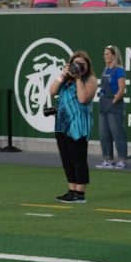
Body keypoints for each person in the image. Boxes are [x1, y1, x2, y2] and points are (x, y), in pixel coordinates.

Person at [47, 49, 97, 202]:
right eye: (76, 63)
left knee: (78, 158)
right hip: (62, 124)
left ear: (87, 66)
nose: (79, 66)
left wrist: (78, 78)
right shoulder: (65, 78)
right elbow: (52, 90)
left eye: (82, 64)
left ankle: (80, 194)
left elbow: (83, 99)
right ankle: (71, 190)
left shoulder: (90, 79)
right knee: (67, 159)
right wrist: (63, 74)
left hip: (78, 125)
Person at [96, 45, 127, 170]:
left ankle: (122, 159)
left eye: (107, 54)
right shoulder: (105, 70)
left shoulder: (119, 71)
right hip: (103, 105)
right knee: (104, 134)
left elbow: (121, 89)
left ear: (114, 55)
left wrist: (113, 102)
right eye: (104, 54)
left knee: (118, 133)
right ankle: (108, 159)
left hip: (114, 106)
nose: (105, 56)